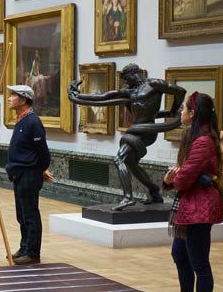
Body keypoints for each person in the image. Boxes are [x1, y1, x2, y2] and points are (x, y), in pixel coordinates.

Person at [68, 64, 186, 210]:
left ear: (133, 73)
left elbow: (180, 91)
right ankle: (154, 191)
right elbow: (103, 97)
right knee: (131, 163)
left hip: (147, 131)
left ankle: (128, 197)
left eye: (125, 77)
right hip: (135, 131)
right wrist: (76, 95)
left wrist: (173, 111)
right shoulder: (129, 92)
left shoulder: (154, 84)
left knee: (119, 159)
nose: (124, 81)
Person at [162, 92, 223, 292]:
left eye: (184, 109)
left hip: (199, 208)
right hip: (191, 206)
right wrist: (172, 179)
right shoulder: (196, 137)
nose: (181, 112)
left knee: (199, 263)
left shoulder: (203, 142)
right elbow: (184, 175)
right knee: (179, 254)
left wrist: (171, 179)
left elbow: (185, 177)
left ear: (193, 113)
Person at [4, 85, 54, 265]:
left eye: (13, 95)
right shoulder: (22, 120)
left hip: (29, 174)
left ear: (23, 100)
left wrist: (41, 169)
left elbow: (43, 151)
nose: (9, 98)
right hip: (19, 174)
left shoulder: (33, 122)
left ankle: (33, 253)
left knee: (31, 215)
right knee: (22, 214)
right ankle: (25, 247)